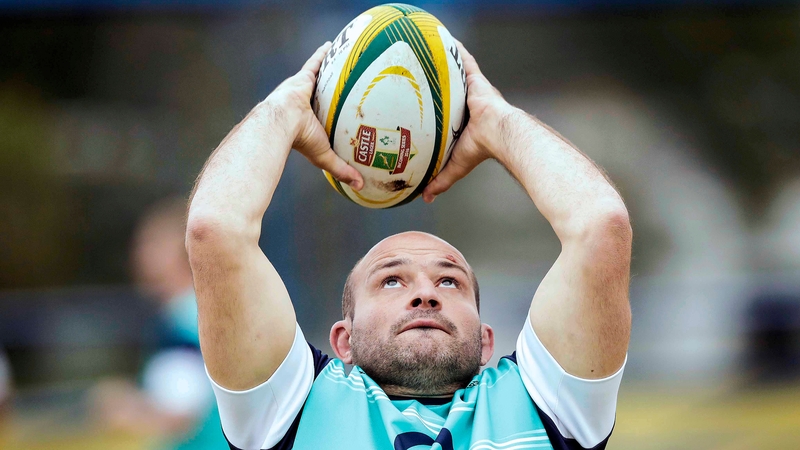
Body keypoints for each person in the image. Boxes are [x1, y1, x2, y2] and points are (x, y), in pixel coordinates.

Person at [186, 41, 632, 450]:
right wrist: (283, 111)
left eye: (450, 280)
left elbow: (601, 227)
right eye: (392, 280)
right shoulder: (290, 409)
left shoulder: (547, 401)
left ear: (485, 341)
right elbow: (216, 230)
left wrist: (498, 122)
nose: (427, 293)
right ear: (344, 340)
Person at [91, 198, 226, 450]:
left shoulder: (183, 324)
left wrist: (124, 406)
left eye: (150, 243)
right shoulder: (202, 312)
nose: (138, 254)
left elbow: (177, 416)